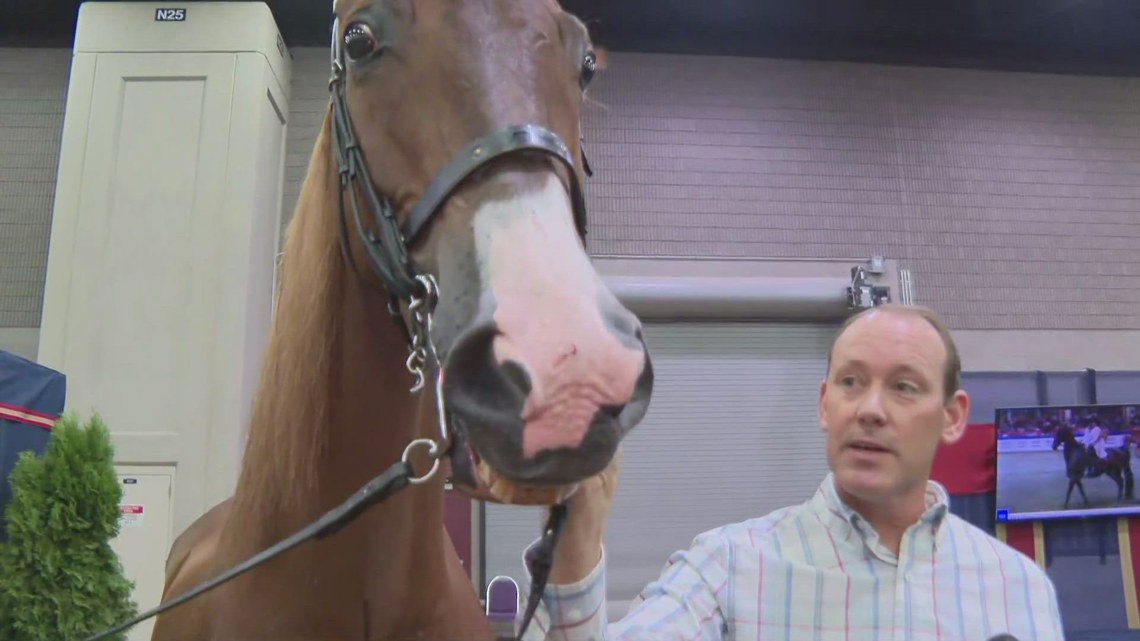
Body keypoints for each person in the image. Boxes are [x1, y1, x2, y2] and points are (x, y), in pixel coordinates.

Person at [517, 303, 1065, 641]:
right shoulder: (727, 567)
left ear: (952, 417)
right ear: (825, 405)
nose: (869, 409)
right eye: (851, 382)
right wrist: (576, 535)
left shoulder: (1018, 588)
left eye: (903, 386)